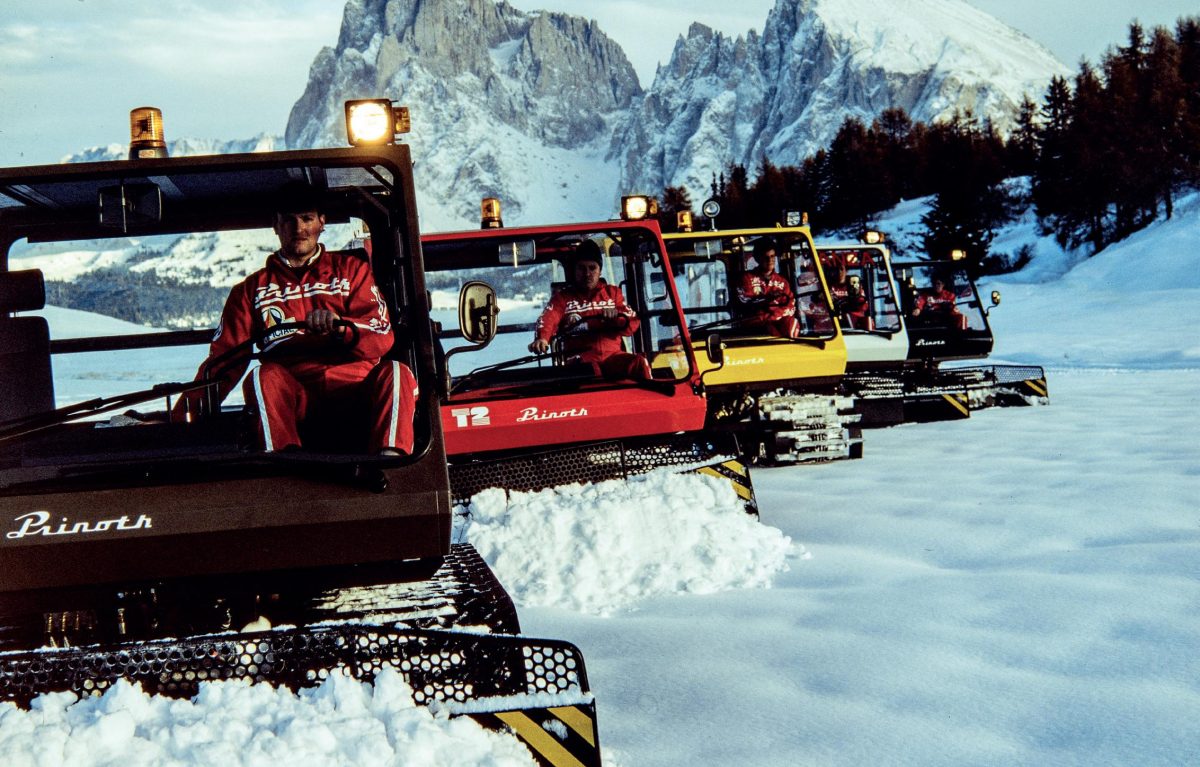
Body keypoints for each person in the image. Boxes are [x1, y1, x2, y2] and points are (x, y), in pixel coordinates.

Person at [173, 182, 417, 455]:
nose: (299, 229)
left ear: (321, 223)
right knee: (261, 376)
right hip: (297, 396)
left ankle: (391, 460)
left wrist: (340, 328)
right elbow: (225, 360)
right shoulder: (252, 290)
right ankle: (285, 461)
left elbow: (381, 334)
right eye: (288, 220)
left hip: (357, 390)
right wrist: (181, 418)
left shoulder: (351, 271)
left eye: (307, 219)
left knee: (397, 372)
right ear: (276, 225)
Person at [528, 239, 651, 381]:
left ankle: (655, 401)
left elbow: (632, 323)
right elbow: (549, 317)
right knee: (592, 372)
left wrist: (616, 317)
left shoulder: (613, 294)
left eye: (592, 268)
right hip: (580, 359)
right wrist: (542, 338)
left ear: (600, 271)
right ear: (574, 270)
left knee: (638, 363)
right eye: (582, 268)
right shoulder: (562, 298)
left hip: (612, 356)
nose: (587, 273)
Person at [737, 244, 799, 338]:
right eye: (765, 257)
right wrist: (767, 299)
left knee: (792, 324)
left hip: (777, 320)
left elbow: (790, 305)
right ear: (757, 258)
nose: (770, 260)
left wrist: (774, 315)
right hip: (755, 326)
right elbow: (746, 304)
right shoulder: (747, 278)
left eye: (772, 256)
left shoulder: (782, 282)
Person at [829, 265, 870, 329]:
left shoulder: (854, 284)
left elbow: (864, 306)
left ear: (846, 270)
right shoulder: (828, 286)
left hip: (854, 321)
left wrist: (853, 300)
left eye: (841, 269)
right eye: (835, 269)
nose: (839, 272)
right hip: (833, 322)